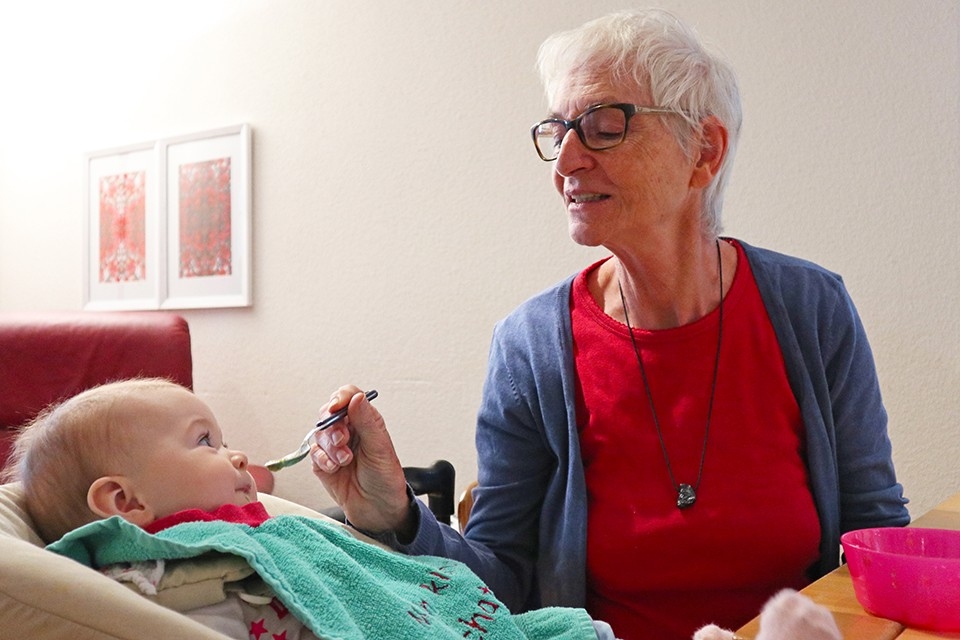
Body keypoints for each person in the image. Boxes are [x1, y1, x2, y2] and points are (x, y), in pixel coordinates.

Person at [310, 8, 909, 640]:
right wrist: (398, 516)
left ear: (703, 150)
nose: (565, 160)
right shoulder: (532, 348)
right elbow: (498, 583)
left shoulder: (812, 309)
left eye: (601, 126)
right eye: (558, 130)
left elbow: (874, 534)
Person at [2, 378, 612, 640]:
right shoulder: (172, 582)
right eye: (205, 441)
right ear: (124, 501)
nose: (236, 456)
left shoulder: (260, 536)